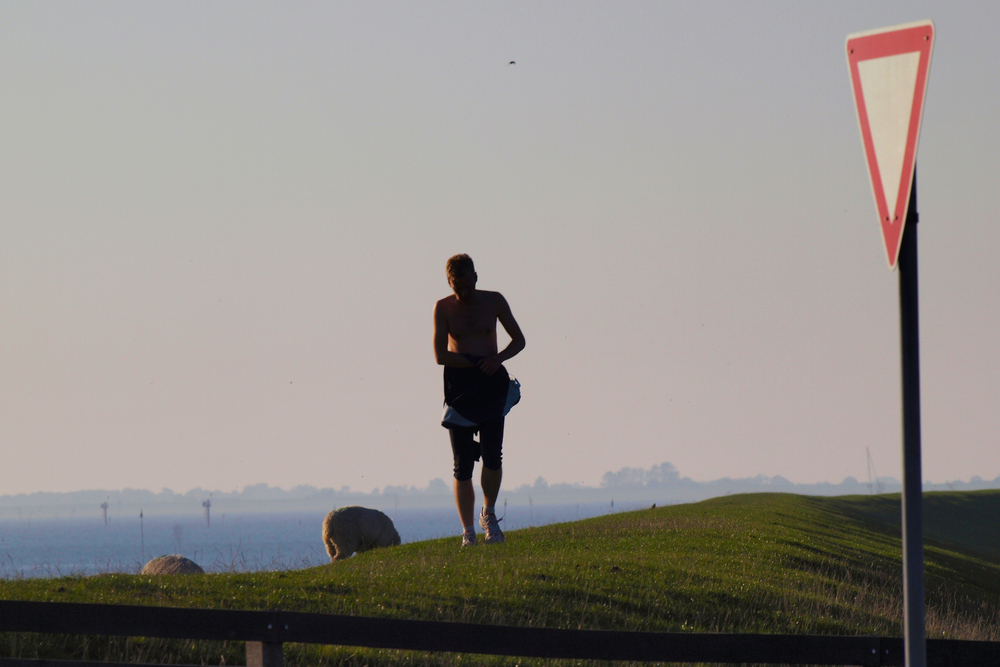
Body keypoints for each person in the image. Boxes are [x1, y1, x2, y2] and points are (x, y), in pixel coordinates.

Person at [433, 254, 525, 546]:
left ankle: (489, 515)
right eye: (456, 285)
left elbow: (519, 340)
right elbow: (440, 355)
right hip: (460, 384)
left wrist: (496, 359)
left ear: (476, 276)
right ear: (450, 283)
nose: (463, 291)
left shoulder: (494, 301)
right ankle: (468, 532)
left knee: (492, 455)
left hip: (491, 381)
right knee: (462, 464)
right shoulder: (443, 308)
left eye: (467, 283)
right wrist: (474, 362)